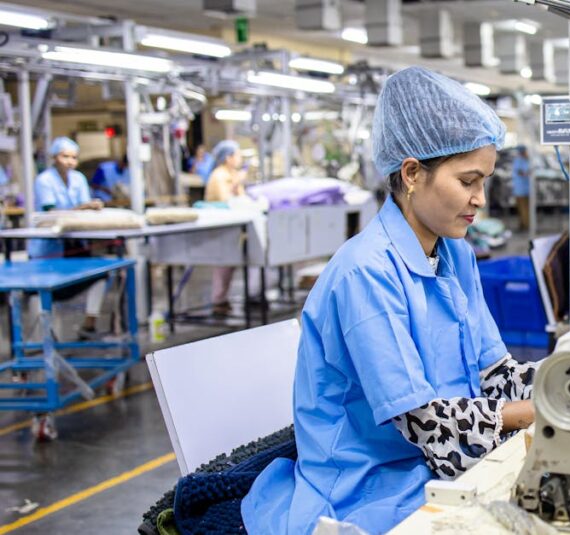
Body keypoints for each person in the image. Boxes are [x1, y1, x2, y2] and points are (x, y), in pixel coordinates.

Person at [242, 67, 539, 535]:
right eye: (468, 181)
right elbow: (429, 427)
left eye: (485, 181)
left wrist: (569, 379)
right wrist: (541, 410)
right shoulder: (365, 273)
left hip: (430, 465)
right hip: (369, 483)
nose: (480, 199)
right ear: (412, 173)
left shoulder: (455, 254)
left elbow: (494, 374)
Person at [30, 137, 109, 339]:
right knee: (43, 292)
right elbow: (51, 213)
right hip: (49, 250)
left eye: (74, 157)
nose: (70, 161)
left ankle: (89, 324)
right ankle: (46, 337)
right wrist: (83, 207)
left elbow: (84, 211)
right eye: (65, 156)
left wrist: (91, 208)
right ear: (54, 157)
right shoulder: (44, 181)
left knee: (101, 274)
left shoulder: (79, 179)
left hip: (75, 246)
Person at [204, 140, 246, 316]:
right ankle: (218, 300)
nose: (240, 159)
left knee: (229, 264)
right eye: (237, 155)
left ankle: (222, 300)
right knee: (223, 265)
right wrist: (235, 184)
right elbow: (225, 201)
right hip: (219, 228)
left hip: (233, 227)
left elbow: (241, 199)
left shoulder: (232, 174)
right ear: (228, 158)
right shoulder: (219, 176)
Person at [511, 145, 531, 230]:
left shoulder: (519, 160)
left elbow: (520, 171)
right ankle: (524, 224)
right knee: (525, 208)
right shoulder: (527, 160)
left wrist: (525, 174)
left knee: (523, 208)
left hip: (520, 189)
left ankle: (525, 225)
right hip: (526, 188)